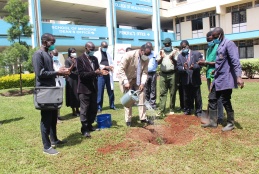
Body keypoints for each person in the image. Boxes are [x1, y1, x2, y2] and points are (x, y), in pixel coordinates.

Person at [32, 33, 69, 155]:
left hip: (52, 88)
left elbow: (50, 72)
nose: (53, 44)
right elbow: (41, 73)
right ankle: (46, 146)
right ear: (44, 41)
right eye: (52, 42)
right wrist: (56, 72)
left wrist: (59, 72)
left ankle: (54, 140)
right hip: (44, 91)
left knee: (53, 116)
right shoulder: (38, 55)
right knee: (46, 119)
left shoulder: (48, 54)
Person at [201, 27, 244, 131]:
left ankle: (230, 123)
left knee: (225, 100)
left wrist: (239, 76)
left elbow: (235, 61)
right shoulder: (219, 45)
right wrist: (215, 71)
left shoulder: (229, 44)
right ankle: (212, 121)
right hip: (218, 77)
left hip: (226, 78)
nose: (214, 39)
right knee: (212, 98)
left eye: (215, 37)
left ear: (220, 34)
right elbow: (221, 62)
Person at [76, 42, 109, 137]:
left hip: (94, 87)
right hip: (84, 88)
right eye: (91, 49)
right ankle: (84, 129)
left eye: (93, 49)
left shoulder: (95, 59)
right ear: (86, 48)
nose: (92, 51)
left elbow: (97, 70)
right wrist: (95, 73)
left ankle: (90, 125)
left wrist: (101, 72)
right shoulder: (80, 59)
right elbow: (82, 74)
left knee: (93, 108)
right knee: (84, 110)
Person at [119, 44, 154, 127]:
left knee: (142, 96)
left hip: (138, 80)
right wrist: (125, 81)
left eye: (148, 55)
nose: (147, 56)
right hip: (128, 79)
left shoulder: (146, 59)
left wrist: (142, 83)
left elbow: (145, 72)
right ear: (141, 51)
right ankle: (128, 120)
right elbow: (121, 69)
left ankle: (143, 118)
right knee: (129, 99)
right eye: (145, 54)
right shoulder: (129, 55)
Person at [198, 31, 224, 124]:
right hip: (209, 75)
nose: (208, 41)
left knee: (219, 97)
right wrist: (203, 63)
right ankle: (213, 115)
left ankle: (220, 117)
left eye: (210, 40)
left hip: (217, 75)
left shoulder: (219, 47)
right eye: (207, 40)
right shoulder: (209, 49)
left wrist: (206, 62)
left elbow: (219, 62)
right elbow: (209, 62)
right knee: (212, 96)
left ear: (214, 38)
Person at [177, 40, 203, 116]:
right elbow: (178, 67)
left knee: (197, 96)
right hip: (185, 79)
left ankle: (198, 111)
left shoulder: (196, 54)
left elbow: (201, 65)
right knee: (186, 96)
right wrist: (183, 68)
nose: (183, 48)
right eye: (182, 47)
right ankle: (187, 109)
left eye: (184, 47)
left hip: (195, 78)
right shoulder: (180, 56)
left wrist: (194, 66)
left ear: (188, 46)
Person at [156, 38, 180, 117]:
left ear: (170, 44)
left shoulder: (175, 51)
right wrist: (162, 57)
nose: (167, 46)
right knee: (162, 92)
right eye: (165, 45)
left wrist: (172, 58)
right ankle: (161, 110)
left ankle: (171, 108)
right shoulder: (161, 51)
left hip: (172, 74)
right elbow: (158, 63)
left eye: (168, 45)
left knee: (172, 92)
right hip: (163, 74)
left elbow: (178, 63)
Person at [94, 41, 115, 113]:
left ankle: (112, 105)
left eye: (106, 47)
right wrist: (105, 66)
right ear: (101, 46)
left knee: (111, 90)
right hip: (101, 75)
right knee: (100, 90)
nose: (105, 48)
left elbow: (112, 62)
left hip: (108, 74)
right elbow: (96, 64)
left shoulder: (108, 53)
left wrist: (111, 67)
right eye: (104, 47)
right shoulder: (96, 54)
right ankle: (99, 106)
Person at [50, 49, 65, 123]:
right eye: (54, 55)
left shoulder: (57, 61)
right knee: (55, 101)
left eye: (57, 55)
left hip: (60, 82)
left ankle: (58, 115)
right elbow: (53, 73)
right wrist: (59, 72)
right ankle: (55, 118)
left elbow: (60, 69)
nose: (56, 56)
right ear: (51, 54)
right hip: (55, 83)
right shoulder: (50, 63)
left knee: (60, 100)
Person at [65, 48, 80, 116]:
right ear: (70, 53)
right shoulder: (67, 60)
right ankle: (73, 110)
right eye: (73, 52)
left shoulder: (77, 59)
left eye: (75, 52)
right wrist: (73, 64)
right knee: (72, 94)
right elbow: (68, 70)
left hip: (77, 78)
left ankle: (77, 109)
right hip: (71, 79)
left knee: (77, 93)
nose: (74, 53)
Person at [144, 42, 158, 109]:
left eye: (150, 47)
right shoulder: (143, 54)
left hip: (153, 73)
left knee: (153, 89)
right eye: (148, 47)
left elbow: (157, 62)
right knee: (146, 89)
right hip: (145, 73)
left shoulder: (155, 53)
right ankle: (147, 104)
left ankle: (152, 104)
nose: (149, 48)